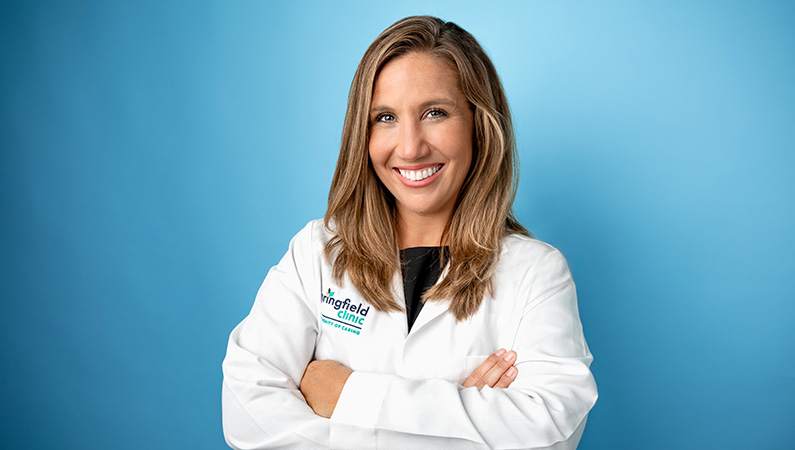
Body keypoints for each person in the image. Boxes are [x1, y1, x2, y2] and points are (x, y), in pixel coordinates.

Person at [222, 15, 597, 449]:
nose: (410, 146)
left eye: (435, 113)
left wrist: (350, 396)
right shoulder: (316, 252)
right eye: (385, 117)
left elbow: (550, 432)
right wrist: (463, 416)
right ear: (360, 133)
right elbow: (247, 414)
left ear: (479, 123)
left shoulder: (536, 271)